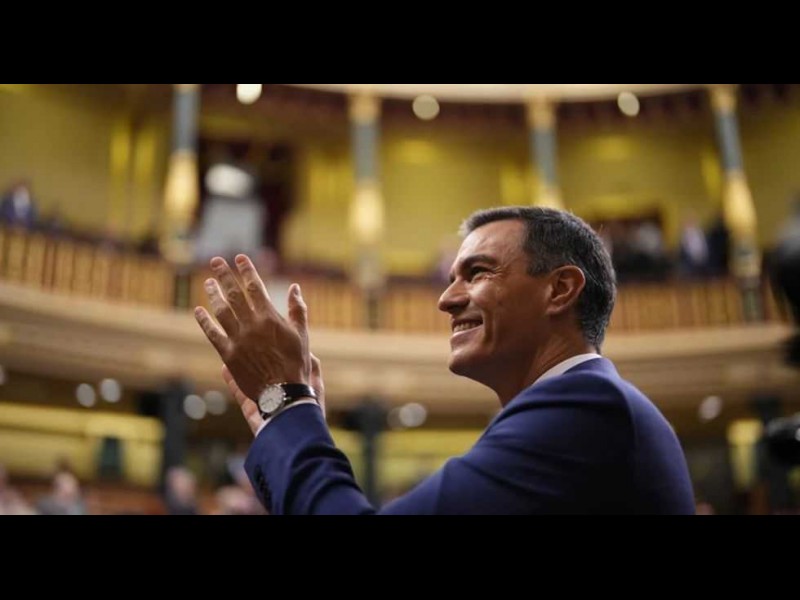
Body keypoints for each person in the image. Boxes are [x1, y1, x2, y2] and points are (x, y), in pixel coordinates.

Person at [194, 206, 696, 514]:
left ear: (559, 289)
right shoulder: (583, 410)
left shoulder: (588, 407)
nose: (446, 299)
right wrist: (286, 421)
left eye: (477, 273)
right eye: (451, 277)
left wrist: (286, 407)